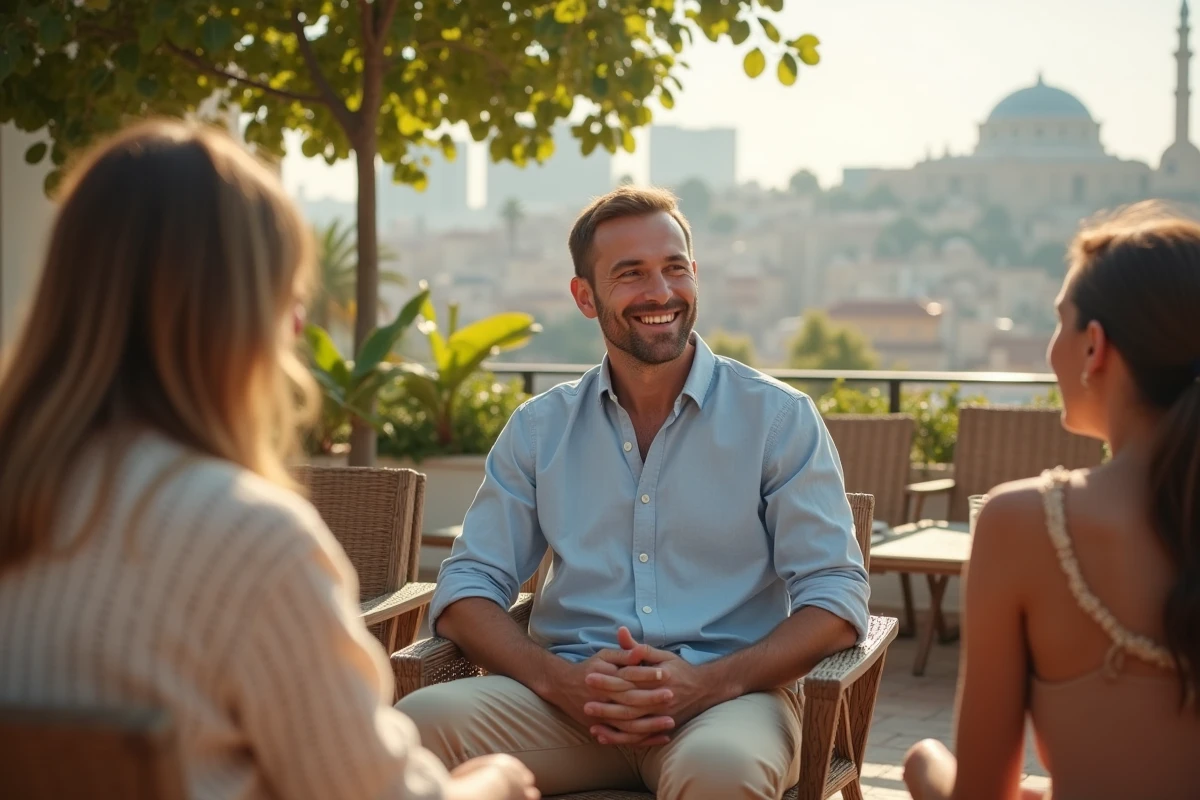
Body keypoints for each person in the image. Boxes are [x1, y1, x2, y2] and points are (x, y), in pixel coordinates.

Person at [0, 120, 537, 800]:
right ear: (250, 317)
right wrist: (496, 781)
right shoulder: (246, 538)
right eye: (289, 299)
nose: (298, 328)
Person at [396, 186, 870, 799]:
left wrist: (709, 683)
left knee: (721, 771)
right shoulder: (540, 429)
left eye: (675, 268)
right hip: (567, 705)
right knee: (412, 729)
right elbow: (467, 588)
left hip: (730, 702)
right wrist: (557, 680)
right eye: (631, 274)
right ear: (584, 297)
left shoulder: (778, 419)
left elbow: (835, 598)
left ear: (695, 275)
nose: (660, 292)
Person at [903, 201, 1200, 800]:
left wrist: (924, 767)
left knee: (921, 761)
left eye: (1059, 323)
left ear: (1095, 347)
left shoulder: (1028, 525)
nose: (1049, 349)